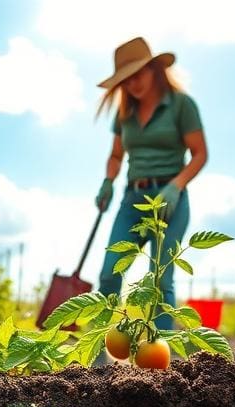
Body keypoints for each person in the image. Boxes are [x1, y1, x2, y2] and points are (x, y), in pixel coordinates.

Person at [94, 37, 208, 331]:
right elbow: (117, 155)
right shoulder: (124, 114)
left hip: (169, 201)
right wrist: (108, 180)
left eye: (138, 74)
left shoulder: (182, 105)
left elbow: (199, 153)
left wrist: (177, 185)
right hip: (132, 201)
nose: (133, 84)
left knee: (160, 279)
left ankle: (161, 364)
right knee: (109, 274)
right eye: (126, 80)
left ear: (155, 70)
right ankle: (98, 362)